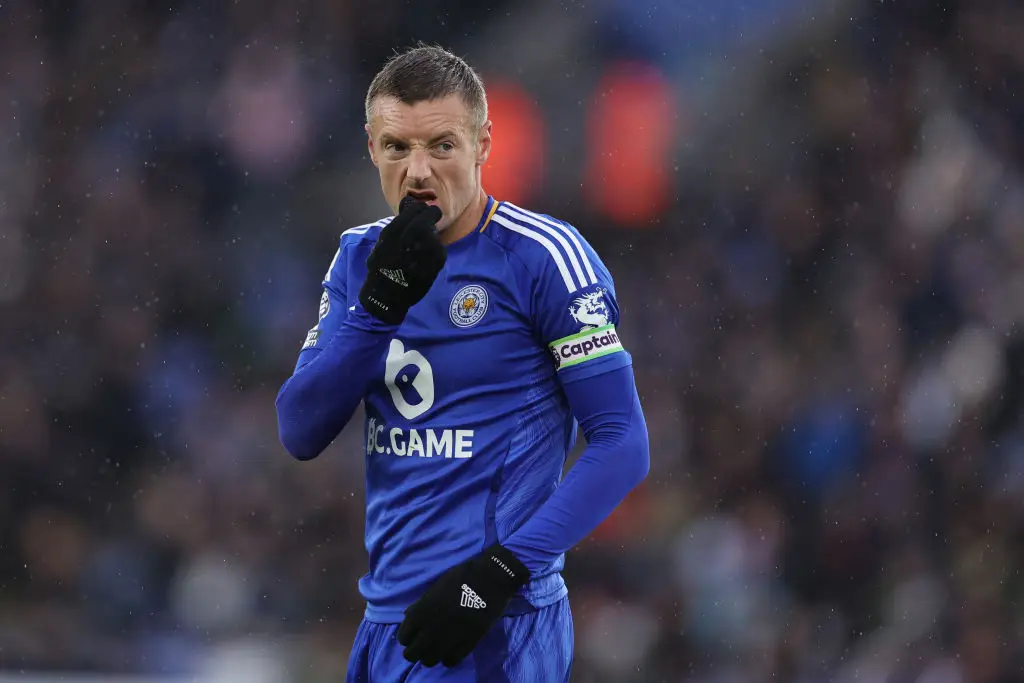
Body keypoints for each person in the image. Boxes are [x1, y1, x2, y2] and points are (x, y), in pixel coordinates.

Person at [275, 44, 650, 682]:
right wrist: (378, 308)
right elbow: (300, 430)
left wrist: (501, 572)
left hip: (497, 621)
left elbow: (622, 444)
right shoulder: (360, 261)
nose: (418, 171)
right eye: (397, 147)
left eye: (441, 146)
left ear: (483, 143)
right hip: (386, 624)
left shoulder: (546, 258)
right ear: (371, 148)